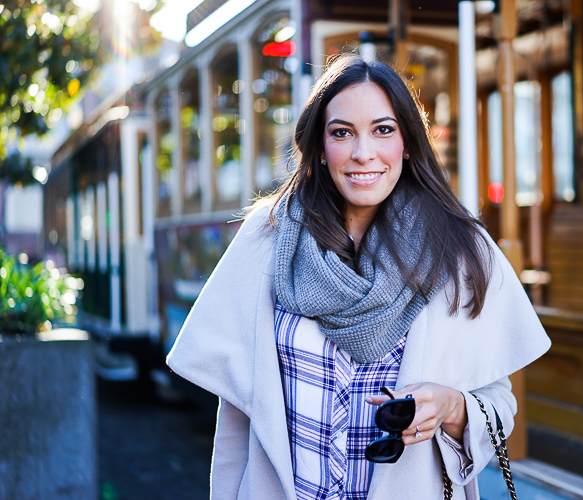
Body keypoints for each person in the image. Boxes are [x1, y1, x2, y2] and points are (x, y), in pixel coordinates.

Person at [166, 54, 550, 500]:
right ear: (321, 148)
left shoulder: (459, 249)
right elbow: (236, 415)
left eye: (383, 130)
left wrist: (450, 406)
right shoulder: (267, 238)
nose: (362, 153)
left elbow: (499, 408)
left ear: (407, 142)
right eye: (342, 132)